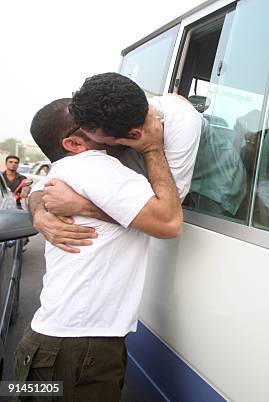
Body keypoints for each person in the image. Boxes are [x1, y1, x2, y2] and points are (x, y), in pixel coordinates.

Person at [14, 98, 182, 401]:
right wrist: (153, 148)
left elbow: (36, 191)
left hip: (47, 348)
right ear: (74, 142)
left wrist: (80, 207)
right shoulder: (97, 166)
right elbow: (168, 222)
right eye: (89, 120)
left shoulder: (64, 169)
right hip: (78, 354)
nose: (102, 118)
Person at [29, 72, 202, 253]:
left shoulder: (181, 129)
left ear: (132, 136)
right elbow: (53, 177)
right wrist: (39, 214)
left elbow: (164, 219)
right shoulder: (107, 113)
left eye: (88, 133)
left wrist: (83, 206)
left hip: (211, 194)